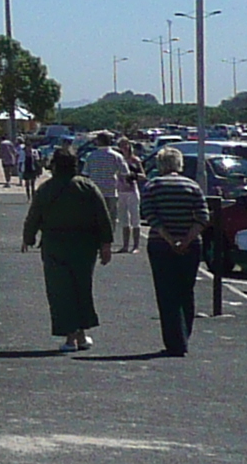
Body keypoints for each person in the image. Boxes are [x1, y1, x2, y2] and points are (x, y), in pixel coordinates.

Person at [19, 147, 113, 353]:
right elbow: (103, 217)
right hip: (85, 245)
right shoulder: (88, 187)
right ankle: (81, 334)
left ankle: (70, 337)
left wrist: (28, 237)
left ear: (54, 166)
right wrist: (106, 244)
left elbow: (34, 215)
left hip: (54, 245)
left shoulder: (46, 189)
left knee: (60, 291)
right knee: (82, 288)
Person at [138, 150, 212, 357]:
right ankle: (184, 336)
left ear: (161, 164)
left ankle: (174, 341)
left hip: (161, 246)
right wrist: (186, 239)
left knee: (166, 294)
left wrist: (170, 239)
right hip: (191, 246)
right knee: (186, 291)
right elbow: (203, 217)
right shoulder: (192, 186)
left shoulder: (153, 186)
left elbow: (150, 216)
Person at [81, 132, 140, 256]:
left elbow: (85, 173)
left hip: (95, 191)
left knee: (95, 217)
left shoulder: (91, 156)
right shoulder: (116, 156)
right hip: (111, 191)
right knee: (110, 218)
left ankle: (95, 240)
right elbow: (125, 172)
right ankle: (107, 241)